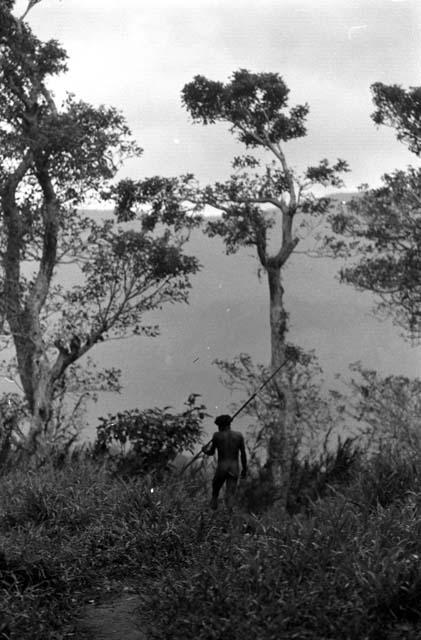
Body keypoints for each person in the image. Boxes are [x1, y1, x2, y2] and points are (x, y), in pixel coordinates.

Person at [202, 414, 247, 510]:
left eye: (219, 426)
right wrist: (245, 469)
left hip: (222, 467)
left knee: (215, 489)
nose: (218, 428)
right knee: (230, 493)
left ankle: (213, 508)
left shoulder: (217, 436)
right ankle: (229, 515)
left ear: (222, 426)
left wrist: (204, 450)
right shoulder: (239, 436)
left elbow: (211, 452)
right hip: (234, 468)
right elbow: (243, 454)